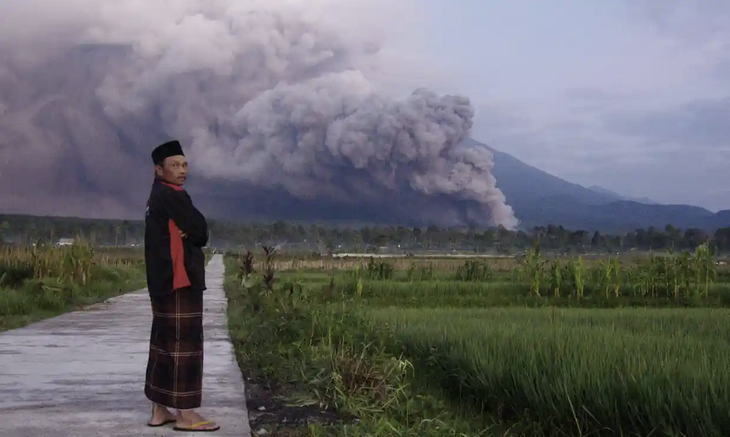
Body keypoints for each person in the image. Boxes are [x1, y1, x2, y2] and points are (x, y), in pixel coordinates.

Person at [143, 139, 219, 432]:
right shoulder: (174, 196)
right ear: (158, 169)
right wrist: (191, 232)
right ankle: (186, 415)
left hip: (161, 283)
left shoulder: (154, 198)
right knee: (184, 346)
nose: (182, 170)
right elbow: (201, 232)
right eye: (174, 165)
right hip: (179, 282)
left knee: (163, 344)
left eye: (185, 164)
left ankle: (159, 411)